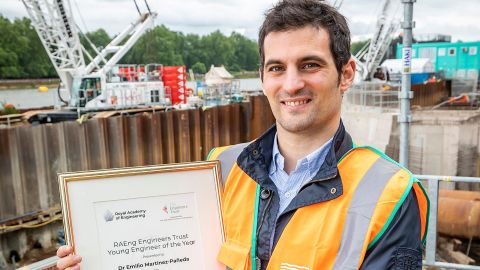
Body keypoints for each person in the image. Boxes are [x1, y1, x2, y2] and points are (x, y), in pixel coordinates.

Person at [56, 0, 429, 269]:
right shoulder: (220, 168)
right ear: (263, 78)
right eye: (277, 68)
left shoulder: (389, 193)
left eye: (310, 65)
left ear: (346, 73)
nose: (292, 83)